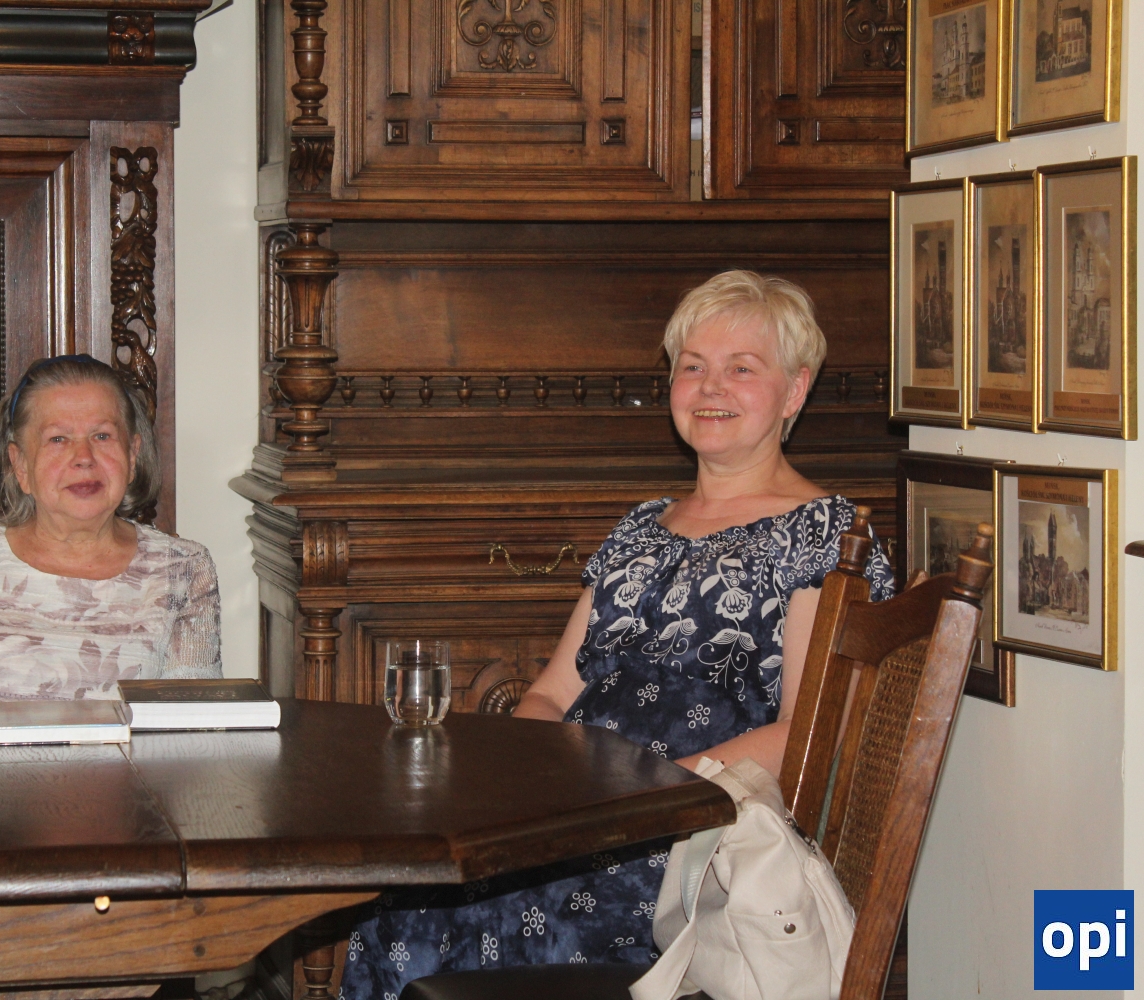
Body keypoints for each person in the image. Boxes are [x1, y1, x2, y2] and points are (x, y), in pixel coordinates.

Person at [338, 270, 894, 998]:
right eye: (692, 366)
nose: (710, 387)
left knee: (426, 921)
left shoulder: (826, 536)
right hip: (578, 820)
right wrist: (529, 789)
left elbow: (807, 735)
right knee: (402, 901)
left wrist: (645, 799)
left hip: (691, 847)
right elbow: (550, 692)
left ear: (795, 391)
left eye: (741, 369)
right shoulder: (640, 526)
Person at [0, 354, 222, 705]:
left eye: (102, 436)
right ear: (20, 465)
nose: (83, 457)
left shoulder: (183, 569)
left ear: (132, 457)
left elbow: (192, 718)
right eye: (58, 439)